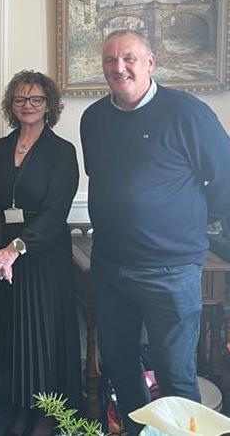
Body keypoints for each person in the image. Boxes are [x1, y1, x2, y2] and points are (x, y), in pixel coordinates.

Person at [81, 29, 230, 436]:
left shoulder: (189, 114)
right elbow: (104, 177)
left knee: (176, 377)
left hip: (171, 271)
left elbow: (224, 184)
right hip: (111, 267)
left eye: (128, 58)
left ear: (151, 62)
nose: (119, 67)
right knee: (120, 367)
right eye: (110, 60)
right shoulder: (93, 118)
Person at [0, 70, 81, 435]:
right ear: (11, 105)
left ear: (49, 105)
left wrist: (14, 250)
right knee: (12, 333)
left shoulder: (62, 152)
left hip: (42, 255)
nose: (28, 105)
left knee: (41, 336)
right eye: (21, 99)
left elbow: (56, 213)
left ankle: (45, 413)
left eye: (36, 99)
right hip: (2, 257)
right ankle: (20, 407)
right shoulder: (0, 148)